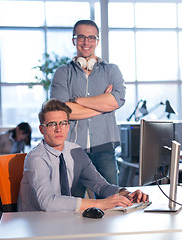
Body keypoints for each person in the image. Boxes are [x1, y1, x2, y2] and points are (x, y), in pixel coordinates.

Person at [18, 99, 148, 212]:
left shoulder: (76, 152)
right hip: (36, 221)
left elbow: (101, 186)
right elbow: (47, 202)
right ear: (42, 129)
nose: (59, 129)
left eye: (63, 123)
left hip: (64, 219)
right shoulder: (36, 157)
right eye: (52, 124)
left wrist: (126, 194)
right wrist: (100, 203)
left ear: (68, 126)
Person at [50, 19, 125, 188]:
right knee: (73, 205)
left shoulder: (111, 70)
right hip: (73, 150)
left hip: (105, 148)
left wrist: (78, 101)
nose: (86, 42)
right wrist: (102, 106)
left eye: (91, 38)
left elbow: (116, 101)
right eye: (81, 37)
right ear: (74, 40)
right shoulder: (63, 73)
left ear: (97, 41)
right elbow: (61, 111)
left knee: (112, 201)